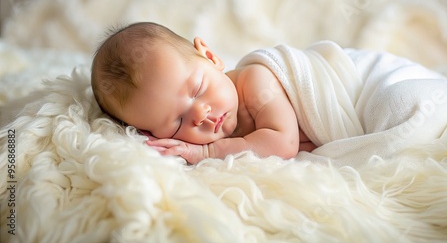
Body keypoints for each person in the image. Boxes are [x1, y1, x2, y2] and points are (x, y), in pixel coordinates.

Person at [91, 22, 316, 165]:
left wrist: (207, 152)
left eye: (198, 89)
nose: (199, 115)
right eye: (178, 123)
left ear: (210, 57)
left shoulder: (256, 81)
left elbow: (284, 145)